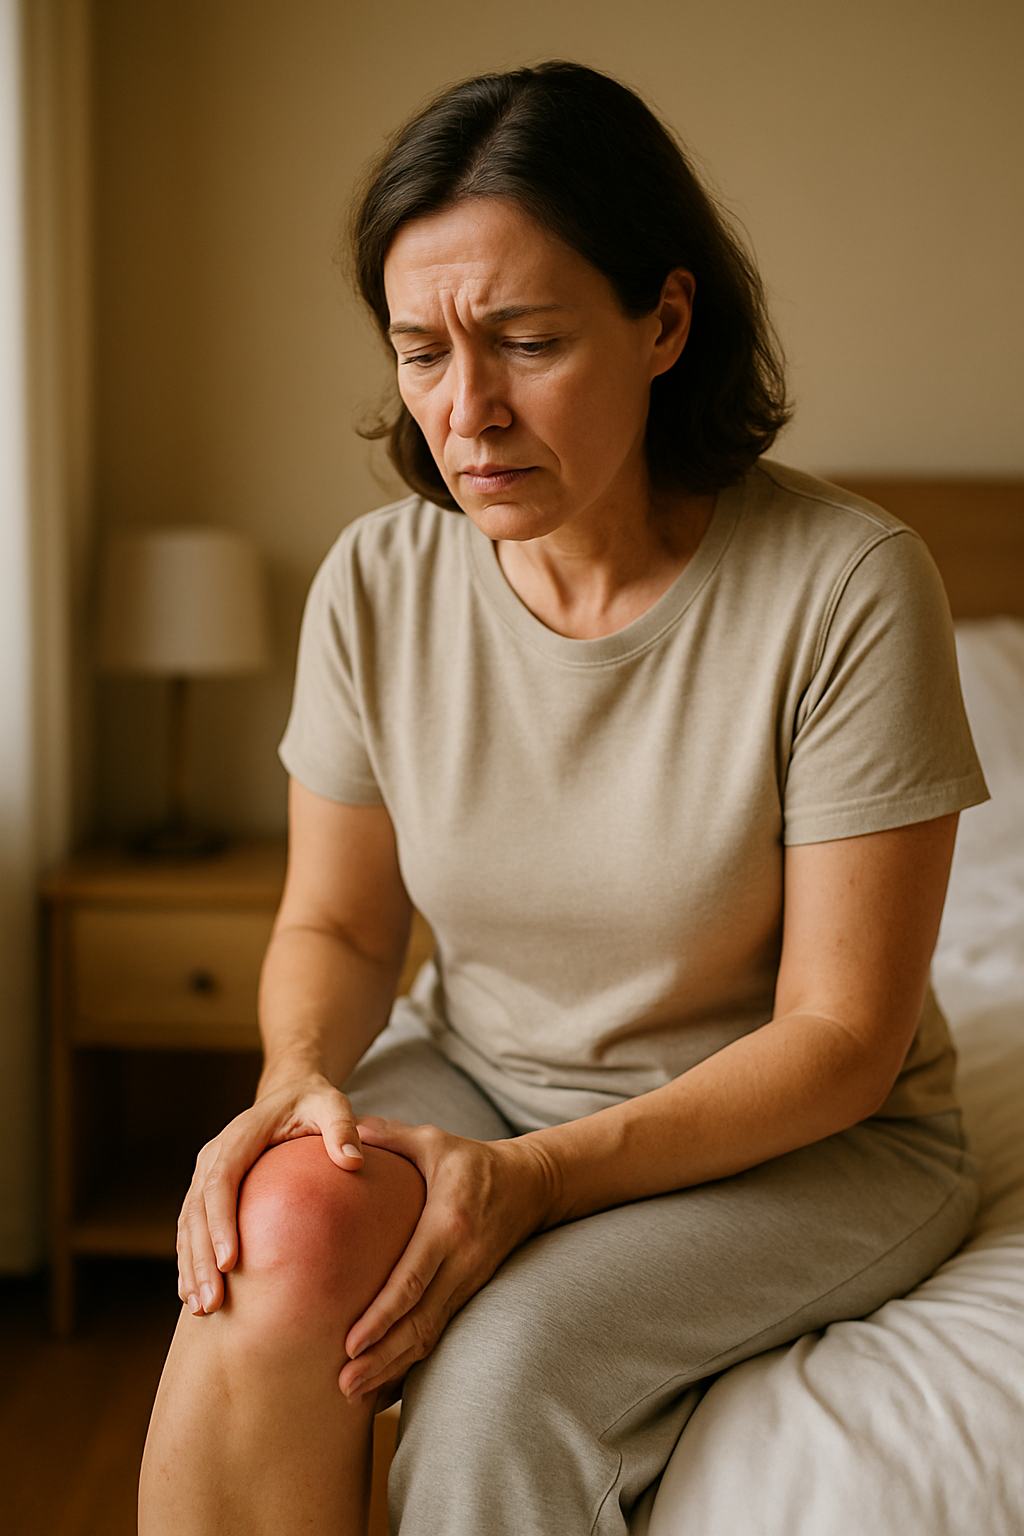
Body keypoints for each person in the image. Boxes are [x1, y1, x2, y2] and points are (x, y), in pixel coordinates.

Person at [138, 61, 987, 1536]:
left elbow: (843, 1040)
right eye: (419, 353)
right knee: (275, 1247)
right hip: (481, 1073)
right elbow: (339, 928)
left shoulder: (848, 586)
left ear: (665, 321)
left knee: (500, 1377)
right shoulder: (378, 583)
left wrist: (531, 1182)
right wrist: (291, 1086)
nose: (466, 413)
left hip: (803, 1142)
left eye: (526, 342)